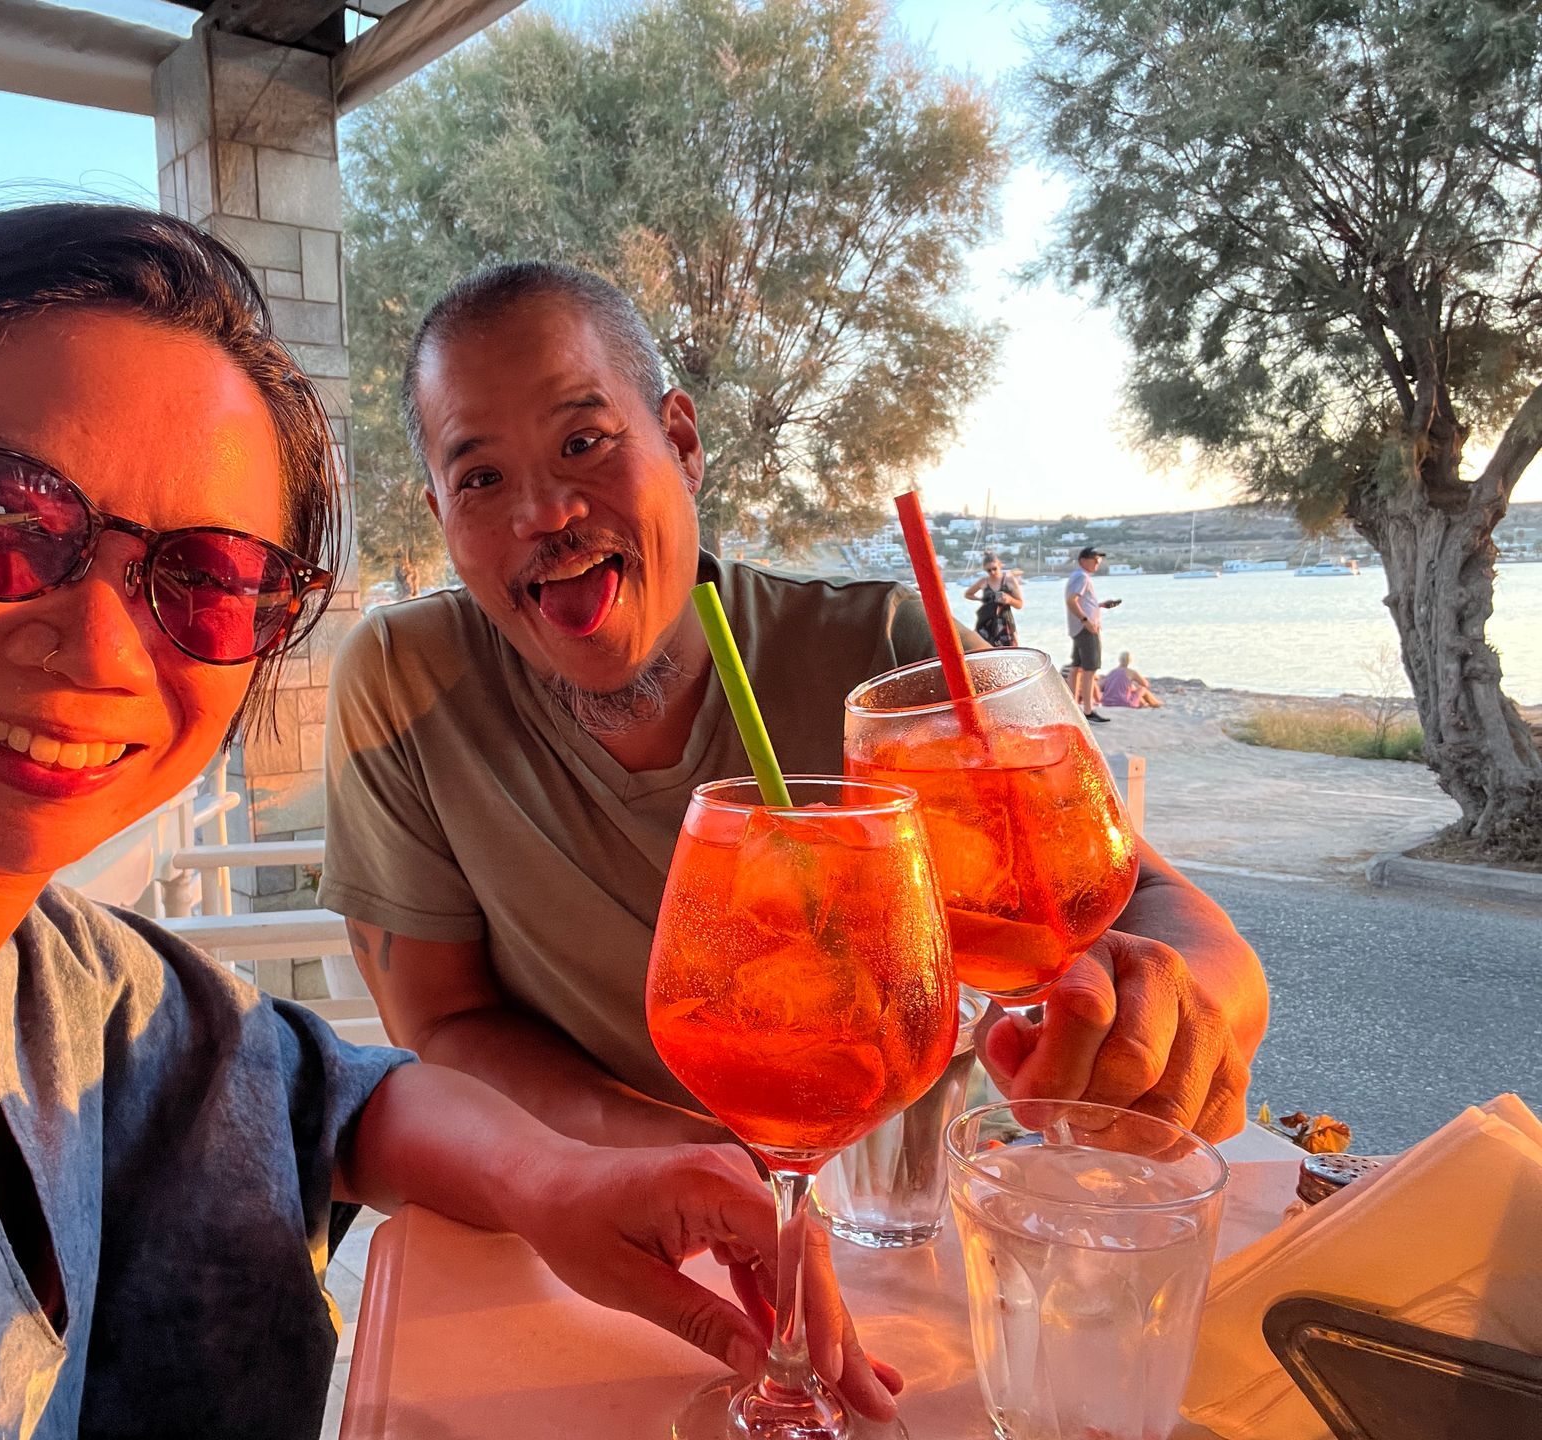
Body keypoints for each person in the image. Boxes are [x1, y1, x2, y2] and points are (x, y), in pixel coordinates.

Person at [0, 208, 897, 1436]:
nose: (105, 645)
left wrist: (560, 1181)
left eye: (212, 582)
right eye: (1, 518)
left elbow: (343, 1100)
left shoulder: (78, 995)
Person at [321, 261, 1266, 1160]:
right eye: (480, 478)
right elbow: (444, 1026)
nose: (544, 512)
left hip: (908, 1208)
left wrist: (1178, 1023)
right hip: (591, 1221)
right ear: (441, 512)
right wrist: (703, 1167)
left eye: (585, 442)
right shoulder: (405, 683)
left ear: (682, 444)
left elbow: (1150, 907)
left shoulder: (889, 667)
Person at [1064, 545, 1120, 722]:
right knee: (1090, 669)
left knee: (1077, 668)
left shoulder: (1078, 577)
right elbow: (1071, 601)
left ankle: (1074, 707)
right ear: (1083, 561)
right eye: (1094, 559)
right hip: (1086, 630)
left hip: (1080, 629)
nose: (1098, 562)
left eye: (1099, 560)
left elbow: (1079, 601)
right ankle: (1087, 710)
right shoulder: (1082, 577)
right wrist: (1086, 621)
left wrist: (1099, 606)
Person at [963, 552, 1023, 646]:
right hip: (985, 623)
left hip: (1004, 624)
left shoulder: (1009, 581)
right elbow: (968, 594)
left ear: (1000, 565)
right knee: (983, 652)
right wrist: (980, 599)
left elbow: (1020, 604)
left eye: (994, 569)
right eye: (989, 570)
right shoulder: (984, 581)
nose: (992, 572)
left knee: (1009, 654)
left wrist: (1009, 600)